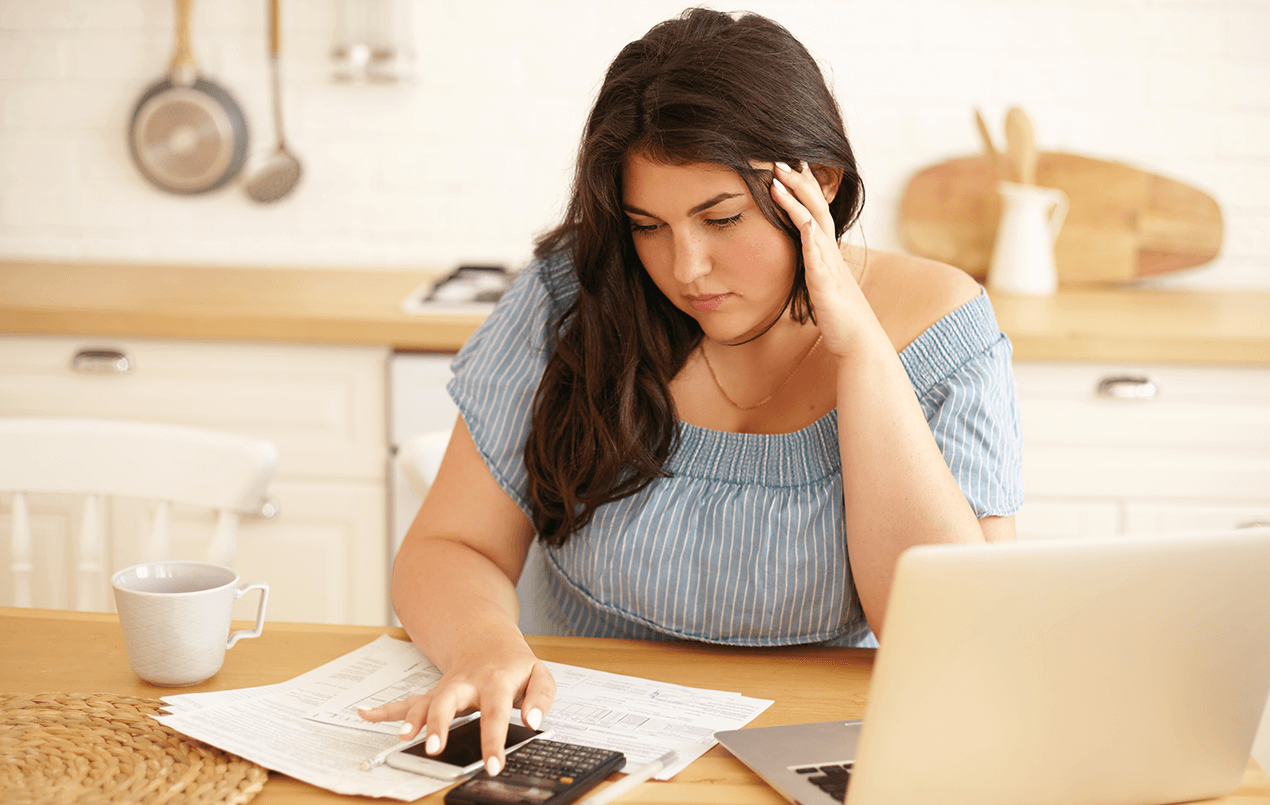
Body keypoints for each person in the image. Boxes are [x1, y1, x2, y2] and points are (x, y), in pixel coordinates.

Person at [360, 7, 1022, 776]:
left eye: (722, 217)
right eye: (649, 225)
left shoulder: (942, 325)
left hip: (815, 752)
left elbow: (949, 643)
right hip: (576, 742)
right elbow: (452, 543)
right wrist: (483, 648)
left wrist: (863, 352)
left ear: (819, 183)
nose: (686, 269)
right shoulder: (577, 295)